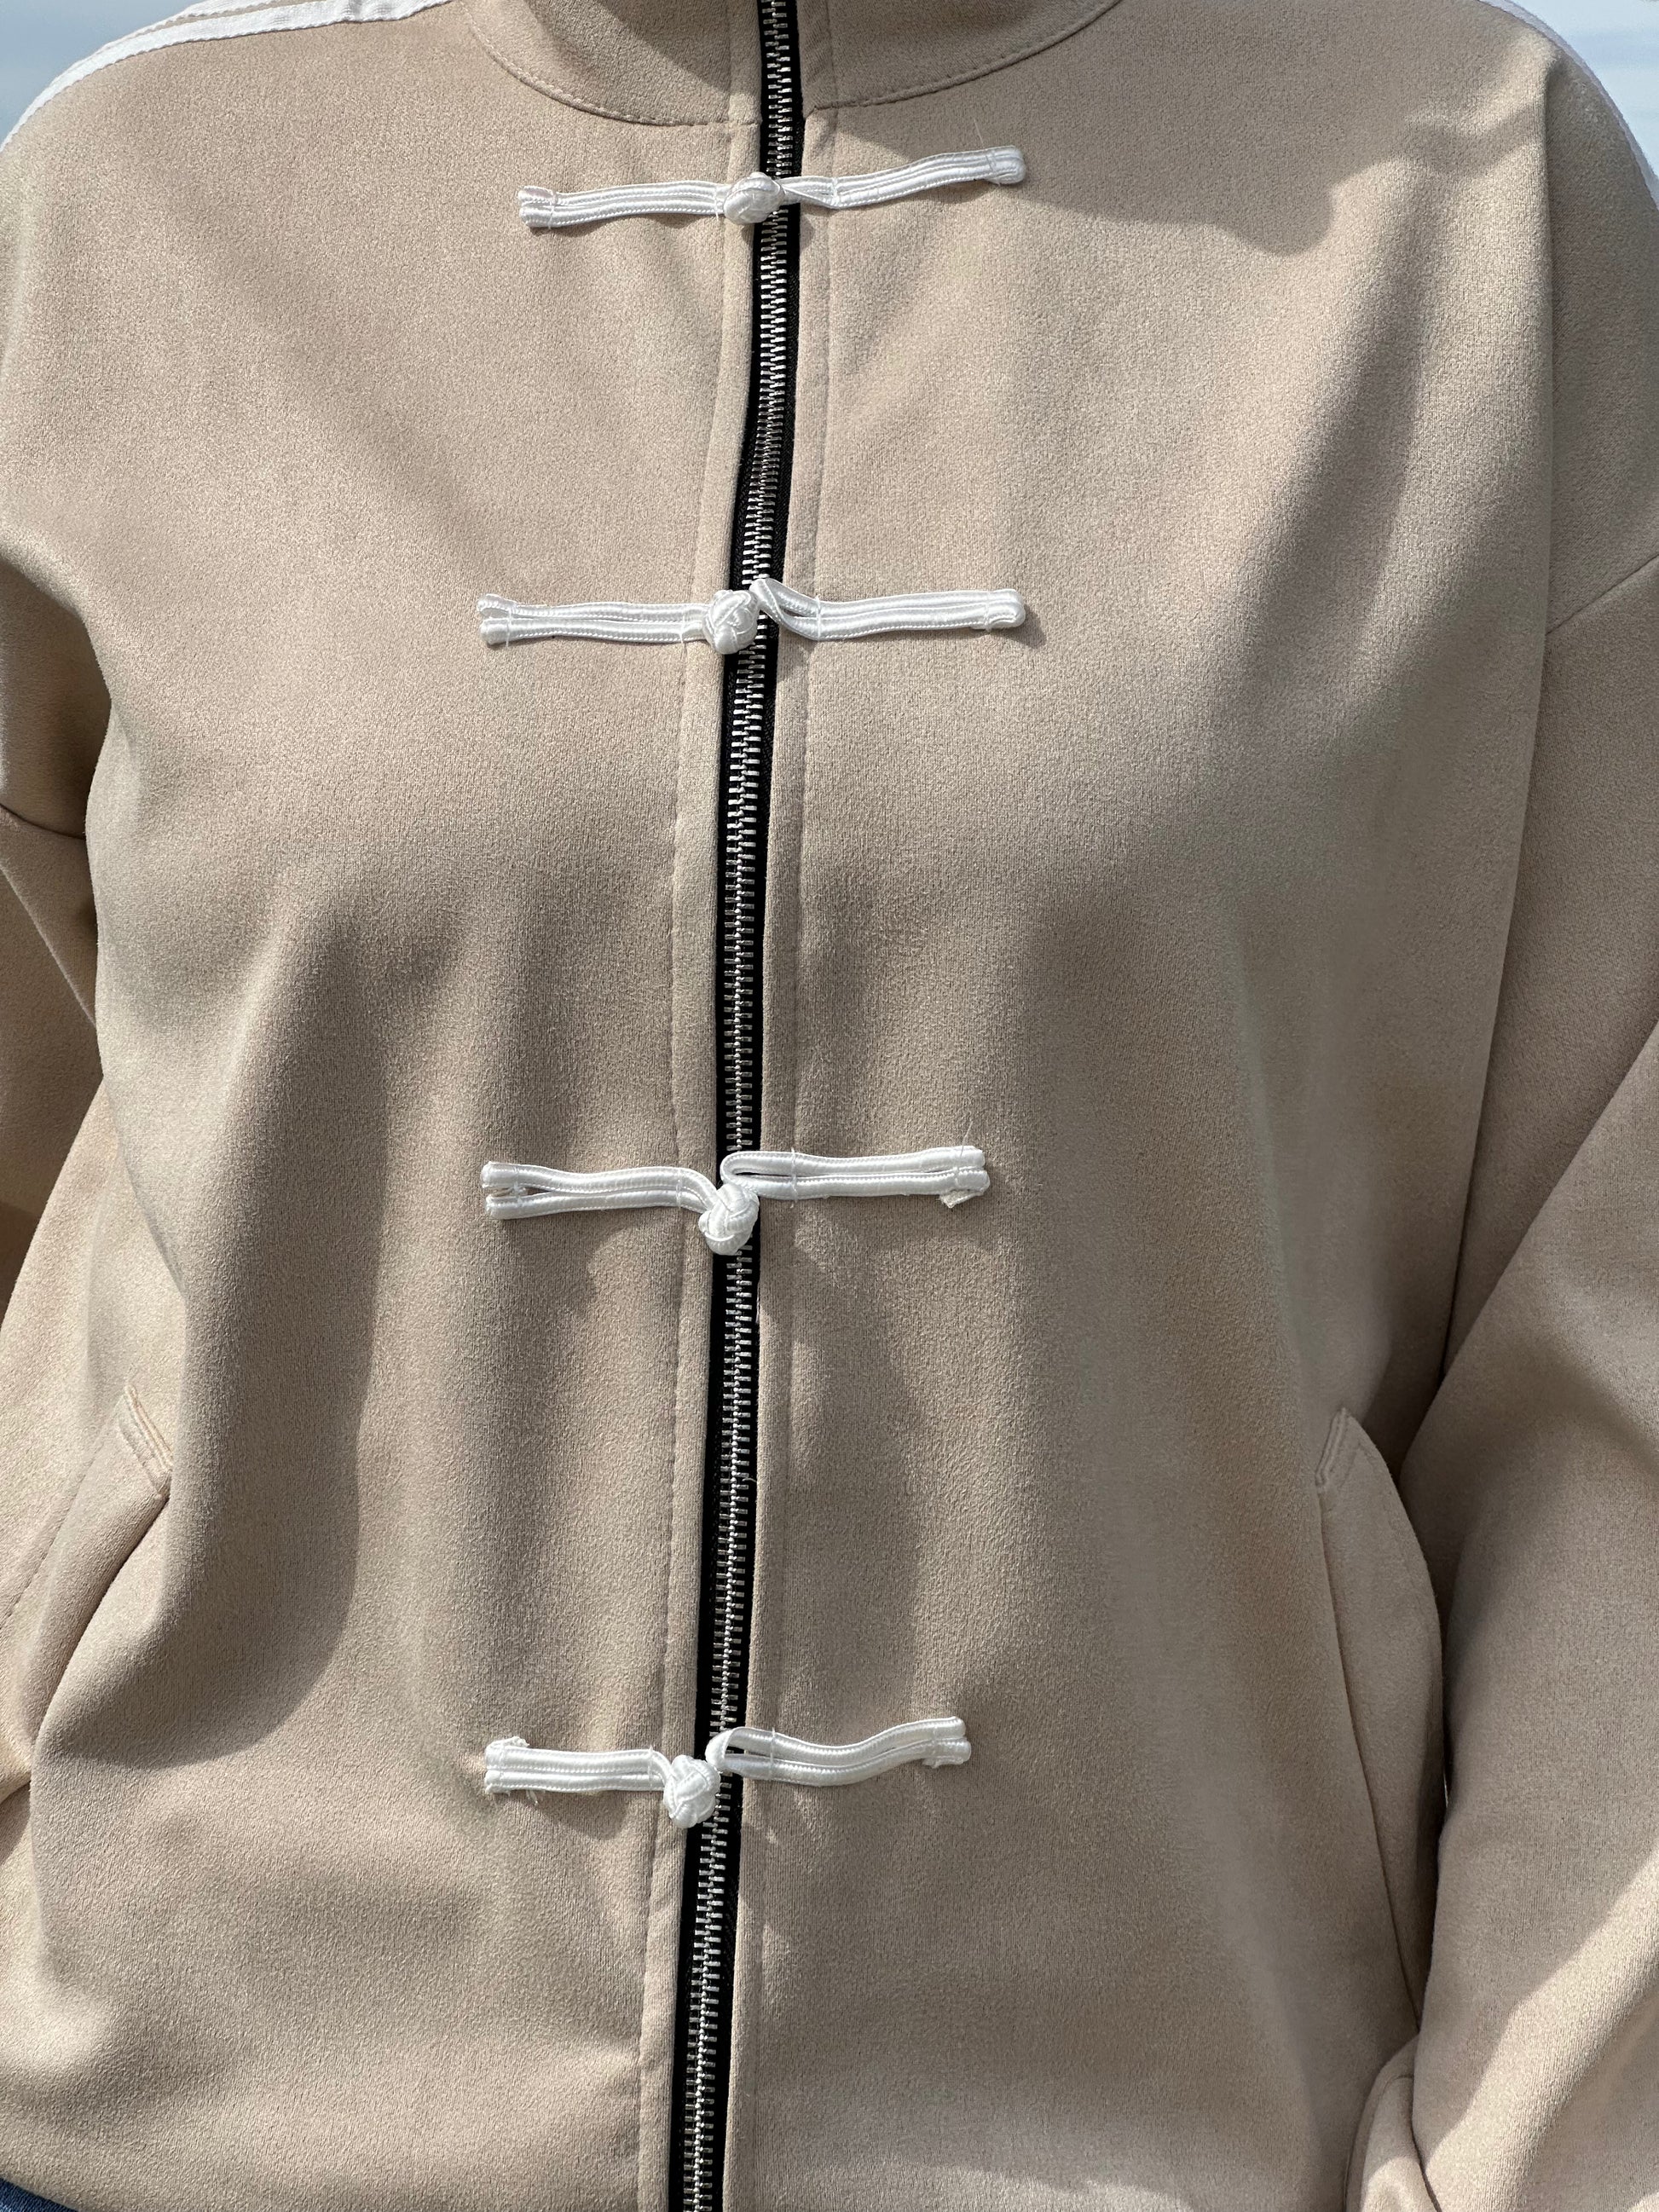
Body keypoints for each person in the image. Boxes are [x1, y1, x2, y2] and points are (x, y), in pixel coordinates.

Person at [1, 0, 1656, 2206]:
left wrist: (1538, 2165)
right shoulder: (137, 200)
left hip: (1162, 2146)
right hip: (165, 2118)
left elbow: (1615, 1346)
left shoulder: (1475, 192)